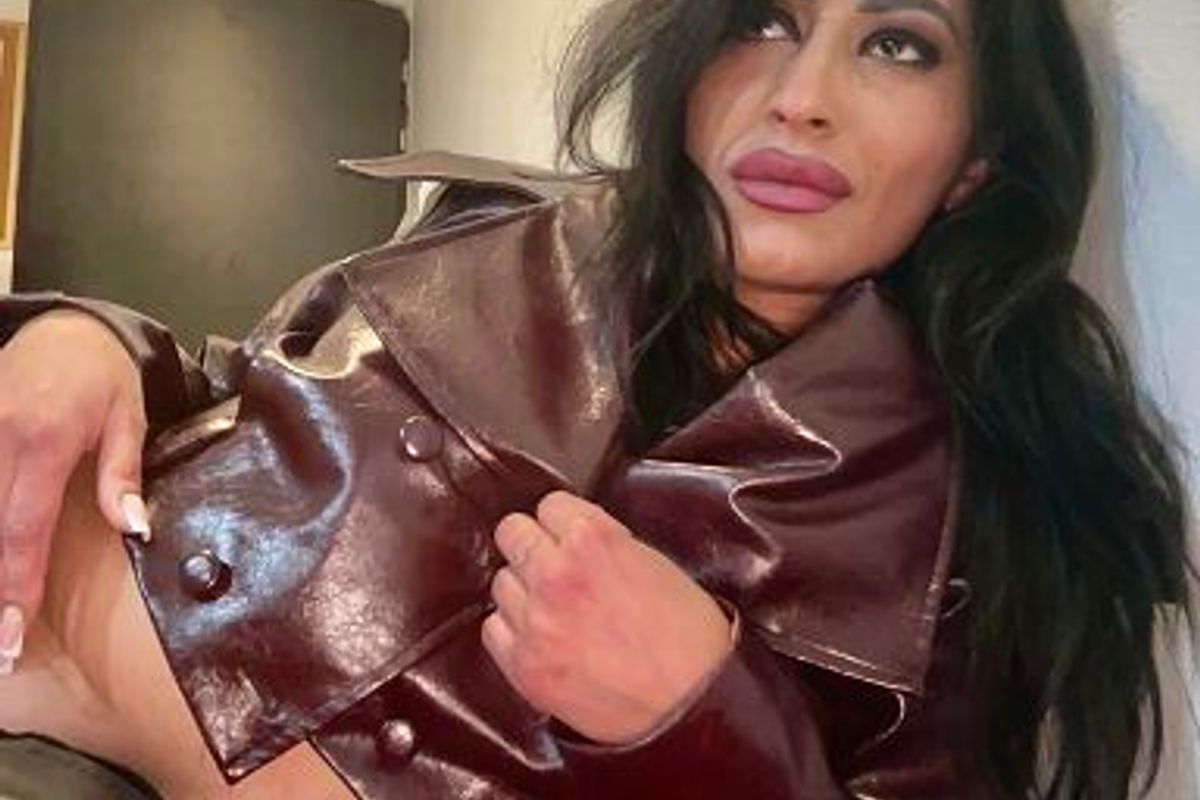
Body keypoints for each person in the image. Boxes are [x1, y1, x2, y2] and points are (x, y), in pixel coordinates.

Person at [0, 0, 1192, 798]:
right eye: (763, 19)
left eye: (898, 43)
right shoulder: (506, 231)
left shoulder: (983, 530)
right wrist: (90, 339)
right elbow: (238, 390)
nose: (800, 96)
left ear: (978, 156)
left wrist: (708, 716)